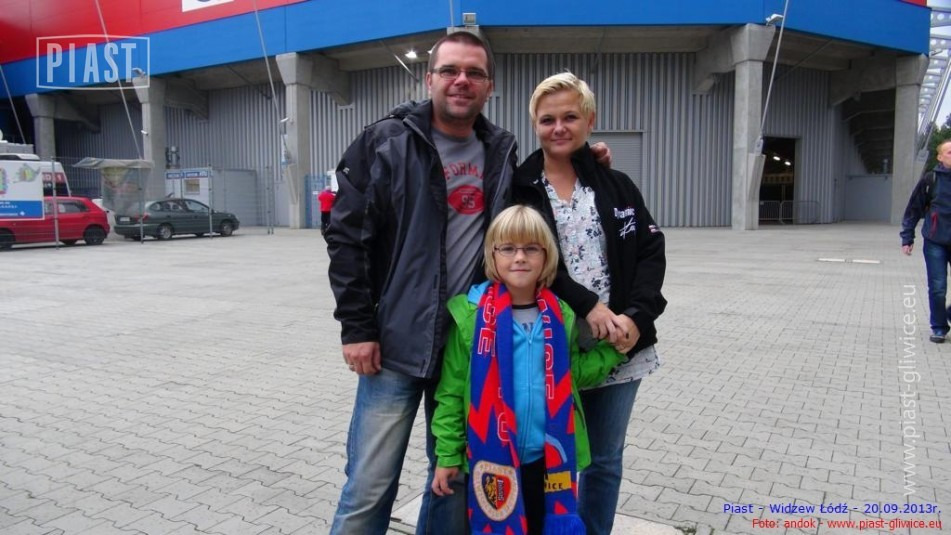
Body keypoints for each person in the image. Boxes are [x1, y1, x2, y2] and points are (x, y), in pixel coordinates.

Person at [326, 32, 611, 533]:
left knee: (453, 479)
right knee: (369, 486)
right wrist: (357, 328)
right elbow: (346, 237)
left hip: (473, 340)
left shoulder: (499, 148)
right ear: (428, 79)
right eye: (450, 70)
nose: (462, 81)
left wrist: (584, 158)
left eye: (474, 73)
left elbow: (536, 189)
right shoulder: (385, 141)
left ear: (489, 86)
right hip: (396, 343)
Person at [512, 72, 667, 535]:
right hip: (548, 350)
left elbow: (650, 252)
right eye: (547, 120)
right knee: (547, 456)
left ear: (589, 120)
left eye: (570, 117)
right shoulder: (520, 190)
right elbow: (526, 263)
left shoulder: (616, 185)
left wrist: (637, 317)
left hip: (621, 347)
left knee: (604, 460)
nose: (558, 128)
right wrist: (588, 306)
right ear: (535, 125)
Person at [431, 205, 624, 534]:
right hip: (491, 459)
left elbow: (573, 374)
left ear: (546, 256)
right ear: (493, 255)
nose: (519, 257)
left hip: (547, 460)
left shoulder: (560, 314)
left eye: (531, 248)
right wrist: (447, 454)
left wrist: (615, 351)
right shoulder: (470, 317)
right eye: (508, 248)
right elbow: (450, 393)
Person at [901, 139, 951, 343]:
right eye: (949, 152)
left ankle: (948, 314)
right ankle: (939, 327)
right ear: (940, 157)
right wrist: (907, 237)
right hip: (935, 240)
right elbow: (914, 208)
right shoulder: (931, 180)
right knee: (938, 287)